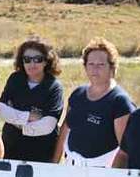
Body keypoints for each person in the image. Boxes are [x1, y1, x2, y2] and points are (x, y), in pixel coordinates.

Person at [52, 37, 134, 167]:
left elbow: (126, 151)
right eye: (91, 64)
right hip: (71, 168)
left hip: (103, 173)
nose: (95, 69)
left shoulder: (120, 102)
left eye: (101, 65)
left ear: (112, 67)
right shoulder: (77, 94)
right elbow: (65, 130)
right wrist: (54, 165)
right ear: (85, 67)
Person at [0, 36, 64, 162]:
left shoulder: (54, 87)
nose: (31, 64)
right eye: (27, 59)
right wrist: (28, 116)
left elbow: (48, 125)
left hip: (41, 151)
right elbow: (1, 109)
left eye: (37, 59)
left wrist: (16, 122)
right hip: (11, 147)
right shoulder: (15, 79)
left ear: (46, 61)